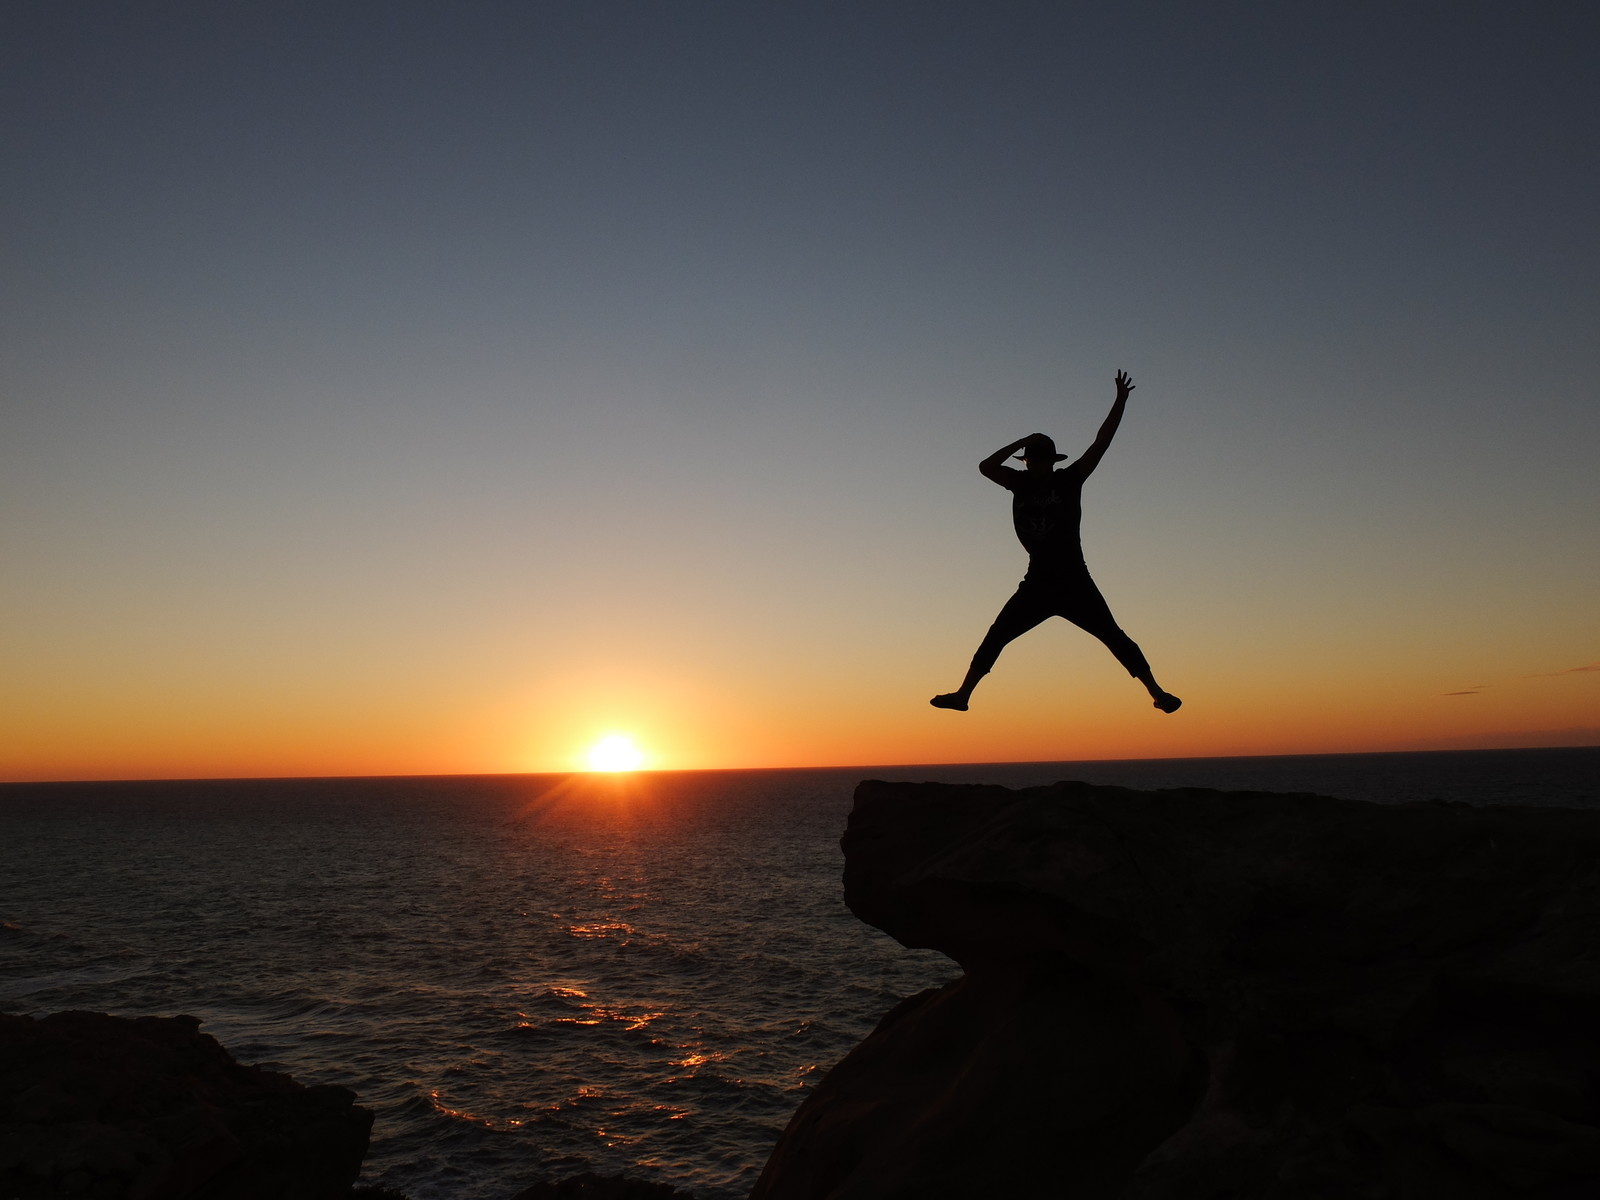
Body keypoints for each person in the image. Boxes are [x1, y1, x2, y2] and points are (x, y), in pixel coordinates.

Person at [931, 370, 1182, 714]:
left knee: (1114, 636)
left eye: (1037, 459)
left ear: (1050, 462)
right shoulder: (1017, 483)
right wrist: (1021, 441)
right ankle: (963, 696)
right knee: (997, 634)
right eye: (1029, 459)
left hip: (1074, 580)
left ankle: (1157, 692)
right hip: (1037, 583)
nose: (1033, 464)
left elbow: (1101, 443)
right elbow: (985, 466)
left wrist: (1120, 402)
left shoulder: (1069, 480)